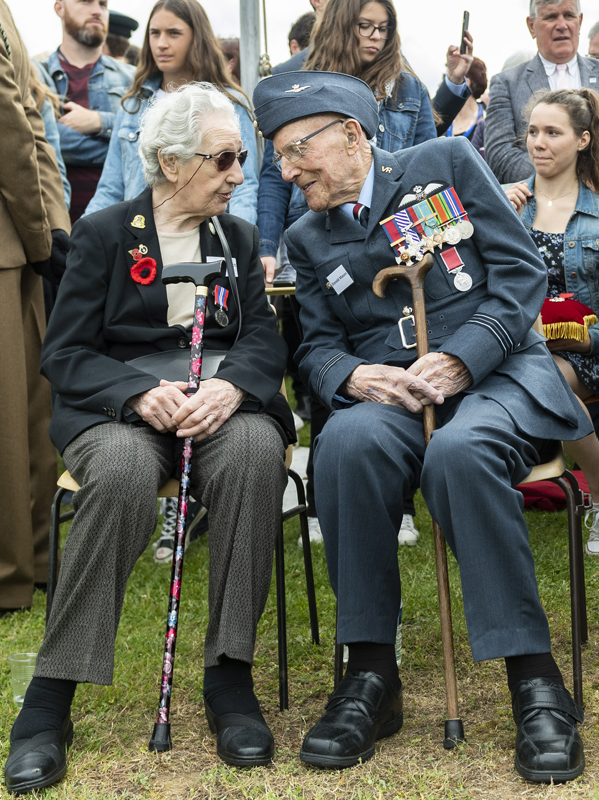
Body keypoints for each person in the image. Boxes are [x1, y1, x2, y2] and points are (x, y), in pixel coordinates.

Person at [253, 69, 591, 783]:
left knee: (461, 455)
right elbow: (312, 345)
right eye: (276, 157)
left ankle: (535, 683)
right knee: (342, 443)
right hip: (395, 397)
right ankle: (370, 678)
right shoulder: (308, 237)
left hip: (496, 376)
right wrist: (351, 376)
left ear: (350, 135)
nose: (285, 171)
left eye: (294, 151)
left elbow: (519, 274)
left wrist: (463, 360)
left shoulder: (443, 163)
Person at [3, 83, 294, 795]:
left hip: (219, 406)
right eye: (223, 159)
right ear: (170, 163)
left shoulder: (239, 238)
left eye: (240, 157)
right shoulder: (103, 235)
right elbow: (65, 353)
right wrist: (135, 392)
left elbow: (261, 338)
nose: (237, 173)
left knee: (257, 452)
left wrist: (233, 387)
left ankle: (229, 680)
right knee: (126, 472)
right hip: (120, 411)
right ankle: (49, 697)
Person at [259, 0, 440, 548]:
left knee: (402, 347)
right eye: (365, 25)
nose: (375, 36)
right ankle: (332, 494)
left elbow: (426, 154)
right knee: (334, 368)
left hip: (405, 228)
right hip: (318, 237)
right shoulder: (288, 81)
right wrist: (267, 243)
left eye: (383, 27)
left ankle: (398, 499)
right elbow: (273, 180)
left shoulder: (406, 87)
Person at [504, 89, 599, 555]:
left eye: (553, 133)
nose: (538, 142)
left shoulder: (598, 215)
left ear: (582, 140)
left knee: (548, 383)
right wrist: (494, 209)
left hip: (584, 353)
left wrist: (586, 341)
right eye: (533, 131)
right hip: (516, 349)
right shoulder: (507, 205)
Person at [0, 0, 71, 614]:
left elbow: (15, 124)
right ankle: (32, 560)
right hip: (16, 234)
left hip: (11, 238)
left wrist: (42, 234)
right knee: (20, 410)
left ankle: (16, 570)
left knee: (16, 411)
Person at [85, 0, 258, 224]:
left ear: (197, 38)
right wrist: (81, 239)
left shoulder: (229, 103)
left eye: (173, 33)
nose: (161, 43)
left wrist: (238, 249)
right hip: (139, 242)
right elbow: (110, 187)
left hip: (207, 239)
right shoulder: (134, 104)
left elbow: (245, 187)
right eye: (154, 33)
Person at [485, 0, 599, 184]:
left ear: (580, 21)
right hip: (536, 206)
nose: (562, 25)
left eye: (569, 15)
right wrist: (565, 179)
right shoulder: (506, 83)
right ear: (531, 26)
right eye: (551, 17)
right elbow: (500, 158)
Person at [42, 0, 134, 224]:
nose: (97, 11)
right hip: (53, 228)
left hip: (120, 232)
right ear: (59, 8)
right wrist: (125, 142)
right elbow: (36, 148)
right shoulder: (37, 79)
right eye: (85, 1)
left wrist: (100, 122)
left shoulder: (134, 80)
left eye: (103, 4)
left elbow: (151, 148)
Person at [445, 56, 487, 159]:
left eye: (447, 78)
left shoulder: (488, 120)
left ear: (466, 82)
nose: (442, 85)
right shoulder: (442, 121)